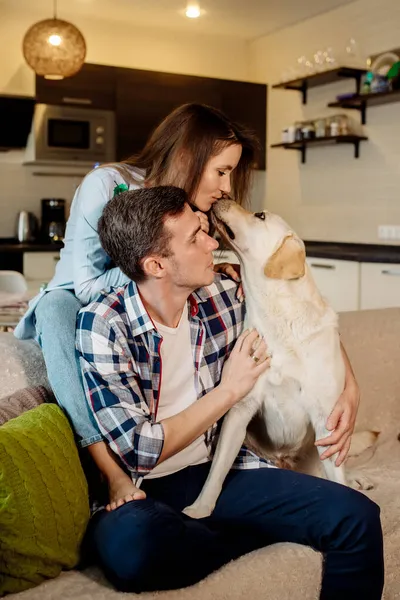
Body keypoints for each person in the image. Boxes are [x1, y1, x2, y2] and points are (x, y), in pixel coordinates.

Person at [15, 102, 360, 511]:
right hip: (77, 295)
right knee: (56, 310)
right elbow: (88, 285)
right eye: (221, 171)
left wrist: (348, 383)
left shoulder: (191, 213)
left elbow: (298, 313)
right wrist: (173, 267)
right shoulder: (108, 184)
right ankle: (111, 473)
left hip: (152, 293)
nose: (227, 187)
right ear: (186, 158)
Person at [76, 186, 384, 599]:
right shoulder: (102, 324)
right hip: (143, 484)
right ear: (156, 264)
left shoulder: (221, 295)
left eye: (204, 229)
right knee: (135, 550)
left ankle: (228, 526)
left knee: (358, 517)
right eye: (195, 238)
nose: (211, 241)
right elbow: (139, 450)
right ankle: (248, 530)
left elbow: (310, 317)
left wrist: (350, 385)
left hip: (219, 466)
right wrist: (230, 390)